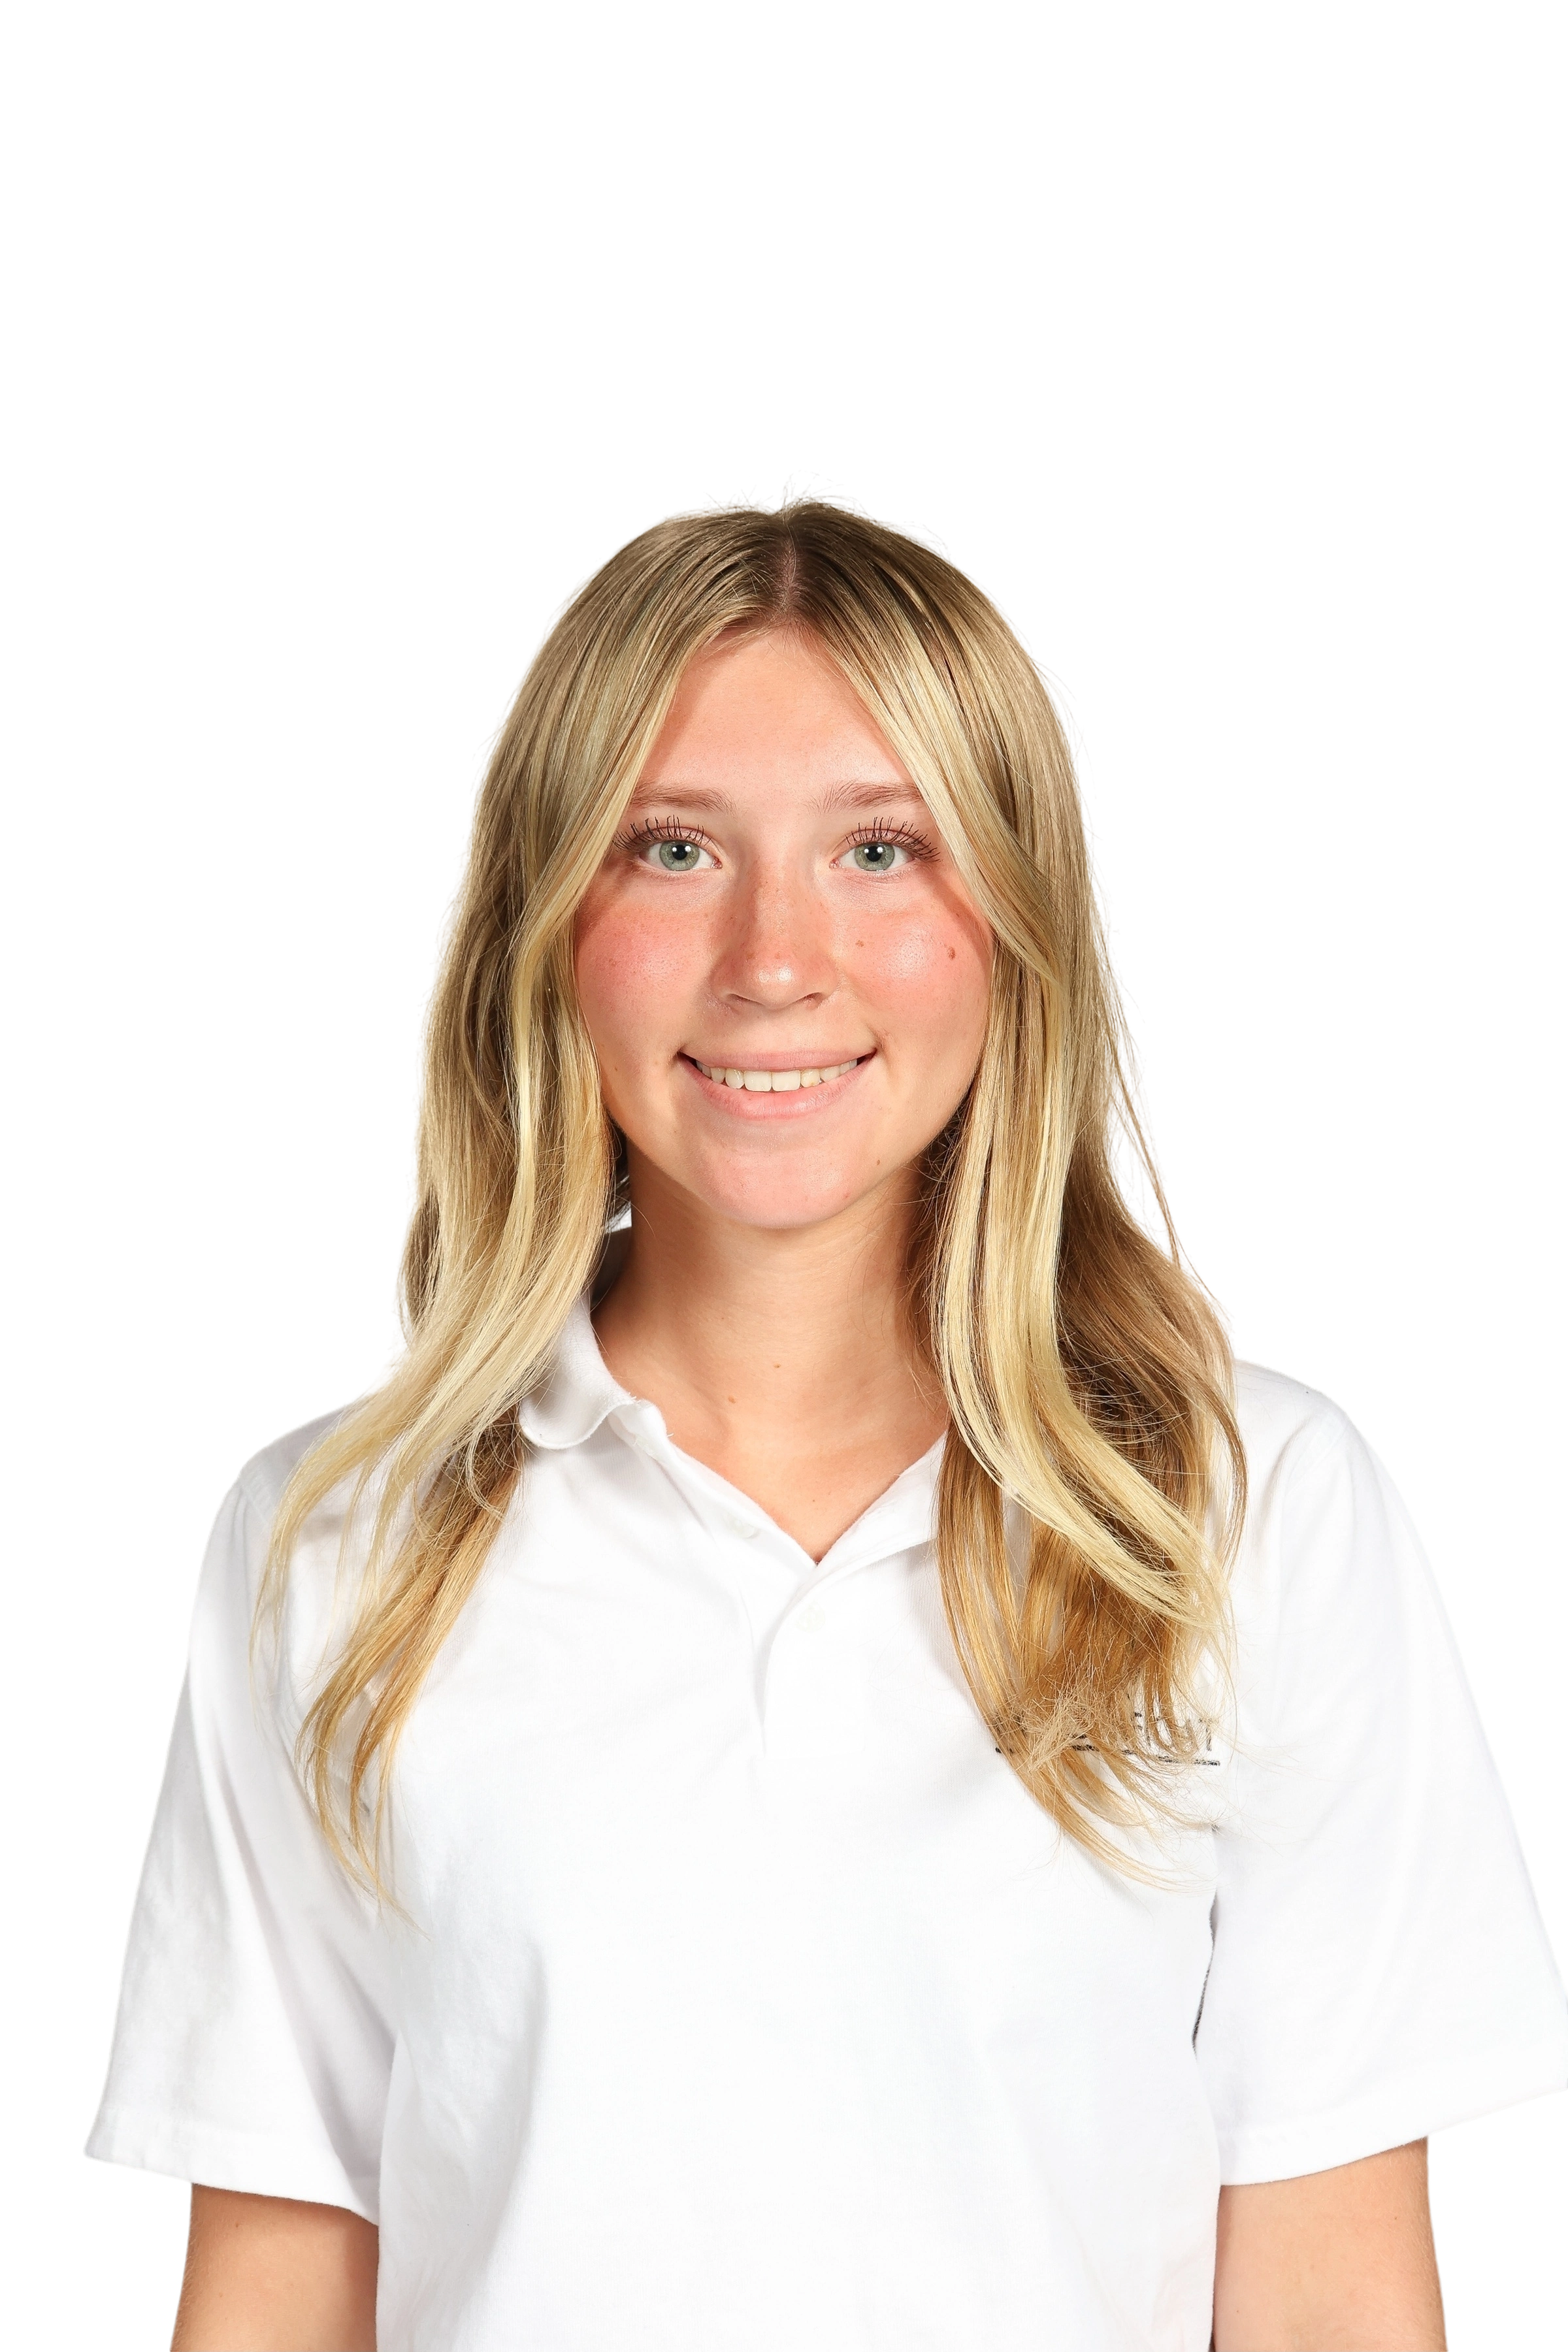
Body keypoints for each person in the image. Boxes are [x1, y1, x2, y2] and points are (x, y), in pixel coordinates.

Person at [82, 482, 1567, 2352]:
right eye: (672, 848)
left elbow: (1332, 2306)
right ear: (548, 926)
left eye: (881, 848)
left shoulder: (1253, 1511)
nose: (775, 959)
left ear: (1016, 919)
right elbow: (283, 2290)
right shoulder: (337, 1541)